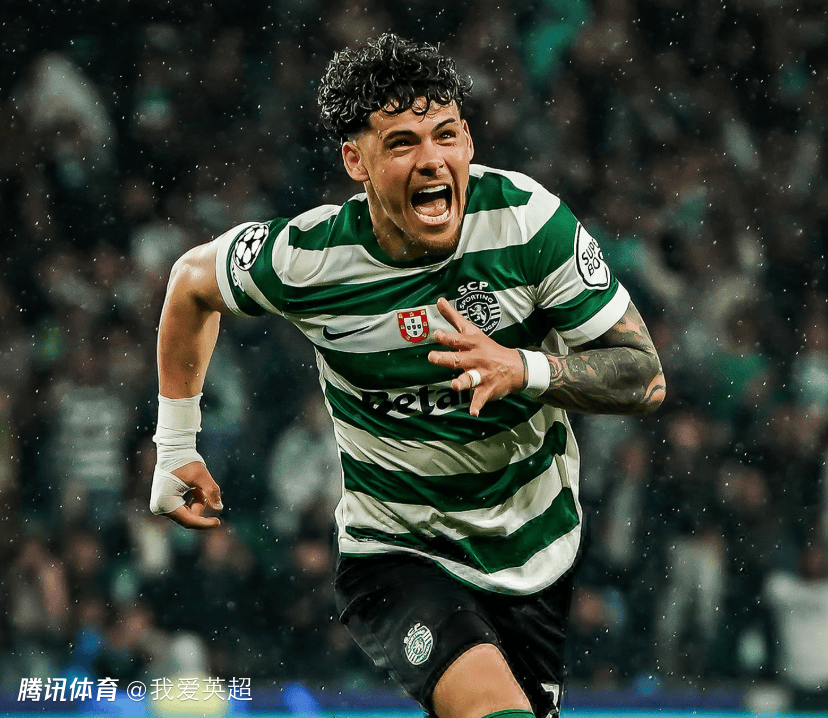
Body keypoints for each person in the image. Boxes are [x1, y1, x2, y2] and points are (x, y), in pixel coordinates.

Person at [149, 33, 665, 718]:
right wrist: (175, 446)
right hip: (398, 551)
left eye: (446, 135)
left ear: (469, 141)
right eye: (401, 143)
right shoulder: (309, 259)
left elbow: (644, 377)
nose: (431, 160)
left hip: (535, 547)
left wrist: (525, 367)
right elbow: (190, 283)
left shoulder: (526, 223)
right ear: (354, 161)